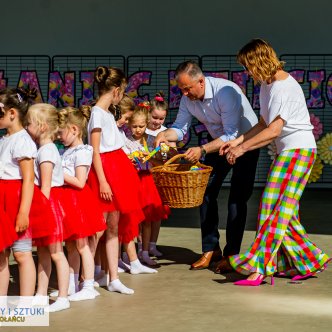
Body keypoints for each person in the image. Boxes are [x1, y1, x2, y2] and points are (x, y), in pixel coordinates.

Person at [220, 38, 330, 285]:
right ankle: (310, 260)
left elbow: (273, 130)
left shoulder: (283, 86)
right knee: (281, 212)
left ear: (259, 61)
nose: (246, 72)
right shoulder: (267, 85)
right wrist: (237, 142)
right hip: (287, 153)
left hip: (299, 151)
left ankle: (259, 268)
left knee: (276, 211)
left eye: (248, 66)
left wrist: (242, 150)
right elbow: (262, 123)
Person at [155, 60, 259, 270]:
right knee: (205, 193)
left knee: (237, 199)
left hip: (245, 144)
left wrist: (202, 150)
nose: (184, 93)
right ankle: (211, 249)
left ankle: (232, 255)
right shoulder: (188, 99)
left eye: (187, 88)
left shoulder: (226, 91)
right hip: (217, 146)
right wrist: (164, 134)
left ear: (201, 81)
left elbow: (231, 134)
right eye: (181, 89)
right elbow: (180, 129)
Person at [87, 66, 146, 295]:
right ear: (118, 90)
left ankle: (113, 278)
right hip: (106, 172)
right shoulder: (97, 114)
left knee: (113, 227)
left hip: (117, 169)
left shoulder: (108, 113)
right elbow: (95, 151)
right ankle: (85, 278)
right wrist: (102, 181)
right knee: (98, 229)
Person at [0, 88, 54, 297]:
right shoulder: (5, 139)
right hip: (2, 199)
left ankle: (26, 303)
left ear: (12, 113)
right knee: (2, 254)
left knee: (22, 254)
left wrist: (23, 212)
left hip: (16, 200)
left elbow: (29, 179)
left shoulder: (22, 140)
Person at [58, 106, 107, 300]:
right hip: (67, 201)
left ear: (74, 130)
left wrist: (58, 173)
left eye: (61, 133)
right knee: (70, 246)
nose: (59, 137)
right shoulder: (66, 151)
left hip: (78, 201)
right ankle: (71, 283)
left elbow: (80, 181)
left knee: (82, 245)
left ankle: (88, 286)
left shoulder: (83, 151)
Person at [26, 103, 70, 312]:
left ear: (42, 126)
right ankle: (41, 293)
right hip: (48, 203)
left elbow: (45, 185)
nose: (26, 127)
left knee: (55, 252)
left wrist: (39, 213)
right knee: (44, 251)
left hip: (49, 204)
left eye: (29, 123)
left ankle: (63, 297)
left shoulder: (46, 151)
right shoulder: (44, 149)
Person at [123, 104, 170, 266]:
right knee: (131, 219)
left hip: (147, 181)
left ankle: (145, 252)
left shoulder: (151, 140)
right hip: (131, 181)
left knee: (148, 219)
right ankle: (127, 253)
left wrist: (150, 157)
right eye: (134, 126)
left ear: (146, 124)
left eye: (141, 126)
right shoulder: (125, 141)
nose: (138, 130)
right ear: (129, 125)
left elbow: (162, 160)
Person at [145, 92, 174, 257]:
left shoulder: (166, 132)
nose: (157, 122)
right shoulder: (140, 129)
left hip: (159, 178)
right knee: (143, 214)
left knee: (157, 213)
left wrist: (168, 149)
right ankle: (142, 245)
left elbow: (173, 152)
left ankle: (153, 244)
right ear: (148, 114)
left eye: (161, 119)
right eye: (154, 117)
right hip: (144, 175)